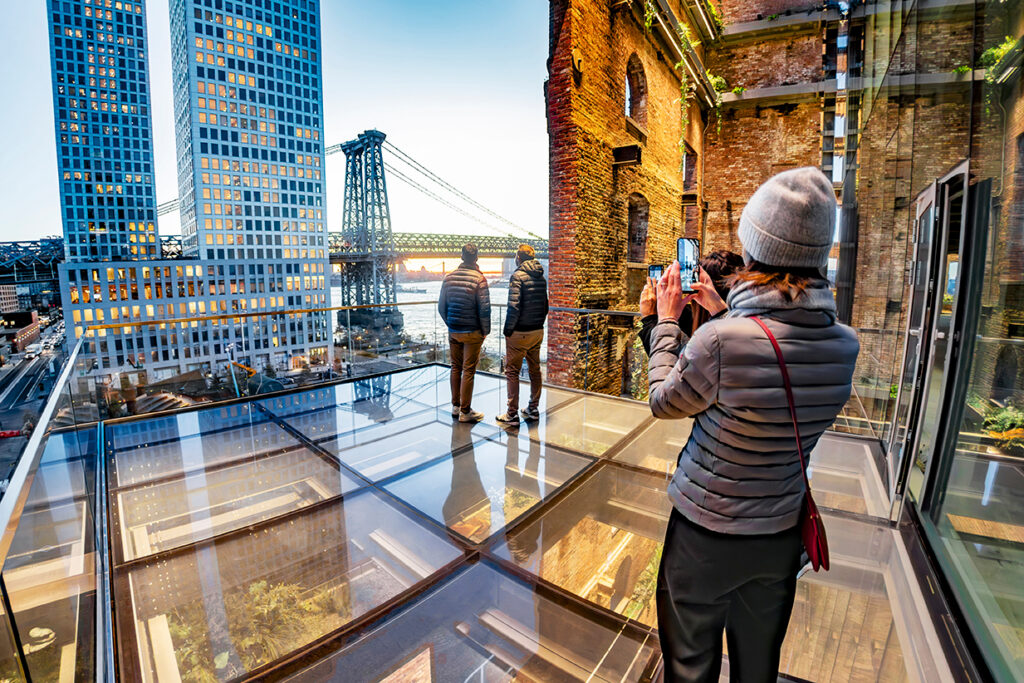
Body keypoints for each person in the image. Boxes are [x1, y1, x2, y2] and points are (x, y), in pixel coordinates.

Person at [647, 167, 859, 682]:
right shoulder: (845, 345)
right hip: (779, 535)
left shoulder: (719, 343)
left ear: (755, 246)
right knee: (758, 669)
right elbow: (768, 351)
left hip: (705, 536)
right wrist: (724, 312)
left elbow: (663, 401)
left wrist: (668, 323)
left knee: (689, 668)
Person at [638, 249, 743, 355]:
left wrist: (651, 319)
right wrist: (720, 310)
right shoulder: (749, 330)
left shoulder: (701, 339)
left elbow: (667, 364)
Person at [496, 244, 549, 425]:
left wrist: (508, 331)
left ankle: (512, 414)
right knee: (535, 370)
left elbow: (514, 307)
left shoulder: (517, 276)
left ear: (518, 258)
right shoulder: (541, 278)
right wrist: (539, 324)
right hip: (537, 331)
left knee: (512, 371)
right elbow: (545, 306)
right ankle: (533, 409)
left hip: (520, 332)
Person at [438, 243, 491, 423]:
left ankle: (455, 406)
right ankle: (465, 412)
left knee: (455, 367)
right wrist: (485, 332)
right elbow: (485, 310)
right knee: (468, 370)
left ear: (461, 256)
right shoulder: (479, 279)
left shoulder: (448, 278)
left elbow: (441, 307)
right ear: (476, 258)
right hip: (473, 332)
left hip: (454, 331)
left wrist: (451, 324)